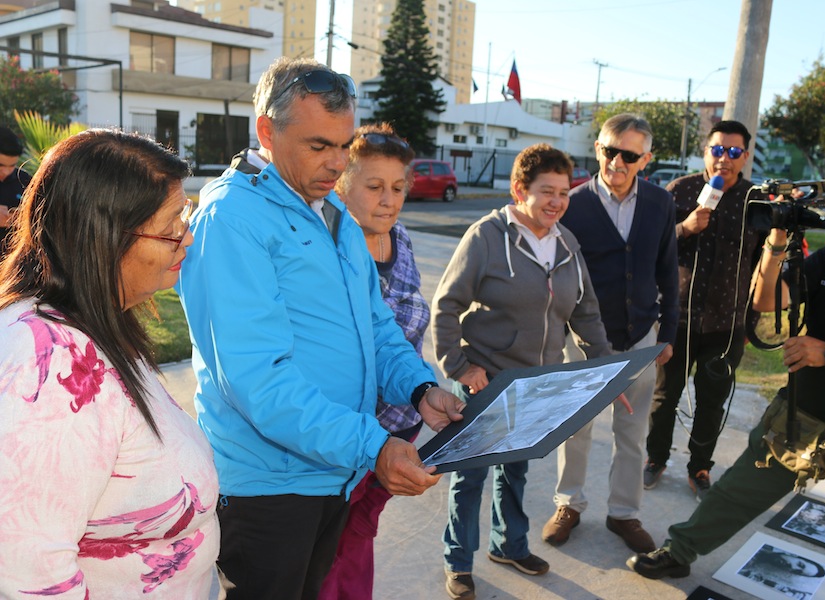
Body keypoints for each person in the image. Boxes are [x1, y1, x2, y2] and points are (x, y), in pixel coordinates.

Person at [176, 57, 464, 600]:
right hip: (269, 487)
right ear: (266, 130)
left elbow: (376, 327)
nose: (337, 164)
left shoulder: (329, 209)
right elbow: (258, 380)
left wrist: (419, 387)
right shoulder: (232, 219)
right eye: (318, 146)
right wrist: (373, 446)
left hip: (333, 472)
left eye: (344, 144)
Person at [628, 163, 825, 600]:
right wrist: (775, 241)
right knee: (735, 493)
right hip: (801, 415)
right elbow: (767, 300)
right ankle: (678, 551)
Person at [0, 129, 220, 597]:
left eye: (186, 217)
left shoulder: (95, 323)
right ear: (102, 237)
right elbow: (26, 571)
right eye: (171, 227)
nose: (188, 238)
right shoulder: (52, 369)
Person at [432, 143, 615, 600]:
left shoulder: (566, 243)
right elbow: (446, 306)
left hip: (537, 386)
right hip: (486, 381)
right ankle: (458, 562)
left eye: (564, 193)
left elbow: (586, 312)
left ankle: (509, 546)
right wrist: (459, 365)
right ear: (520, 191)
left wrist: (607, 368)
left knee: (515, 473)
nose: (556, 201)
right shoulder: (487, 237)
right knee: (469, 478)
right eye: (546, 191)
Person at [541, 114, 679, 554]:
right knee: (575, 428)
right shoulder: (573, 204)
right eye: (608, 150)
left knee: (632, 433)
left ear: (646, 159)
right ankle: (569, 504)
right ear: (597, 148)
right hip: (582, 341)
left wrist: (668, 332)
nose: (616, 162)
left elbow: (668, 274)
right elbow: (555, 275)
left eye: (629, 155)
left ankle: (625, 513)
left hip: (641, 335)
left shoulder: (660, 203)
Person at [318, 123, 425, 600]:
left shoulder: (400, 239)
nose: (389, 200)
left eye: (398, 188)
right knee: (330, 544)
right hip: (354, 437)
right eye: (375, 187)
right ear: (342, 184)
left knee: (361, 532)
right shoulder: (331, 247)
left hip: (404, 424)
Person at [644, 120, 768, 497]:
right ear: (705, 152)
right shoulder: (677, 192)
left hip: (728, 324)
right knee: (665, 397)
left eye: (733, 152)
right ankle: (655, 458)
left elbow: (766, 263)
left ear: (745, 157)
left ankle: (699, 466)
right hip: (676, 318)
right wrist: (683, 228)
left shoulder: (757, 201)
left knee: (712, 401)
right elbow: (650, 249)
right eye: (717, 150)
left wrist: (753, 320)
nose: (724, 159)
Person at [0, 126, 32, 259]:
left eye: (12, 165)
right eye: (1, 165)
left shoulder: (25, 181)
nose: (6, 171)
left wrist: (16, 219)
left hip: (13, 266)